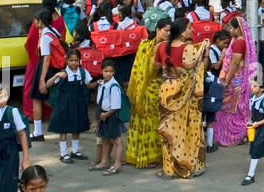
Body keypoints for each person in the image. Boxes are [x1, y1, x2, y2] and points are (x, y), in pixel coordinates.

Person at [157, 18, 210, 179]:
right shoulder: (188, 50)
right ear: (181, 32)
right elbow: (199, 69)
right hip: (183, 95)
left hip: (165, 91)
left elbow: (156, 68)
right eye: (189, 28)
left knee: (167, 131)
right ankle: (188, 166)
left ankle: (168, 169)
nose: (192, 30)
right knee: (186, 130)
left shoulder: (160, 47)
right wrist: (205, 54)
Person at [125, 18, 168, 169]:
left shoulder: (160, 47)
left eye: (170, 31)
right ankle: (139, 154)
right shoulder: (145, 46)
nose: (168, 34)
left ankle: (152, 156)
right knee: (141, 121)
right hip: (143, 89)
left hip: (154, 89)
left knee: (152, 122)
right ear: (158, 30)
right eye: (166, 30)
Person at [46, 48, 93, 163]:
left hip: (78, 103)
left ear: (80, 61)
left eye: (76, 60)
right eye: (71, 60)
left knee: (77, 127)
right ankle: (63, 153)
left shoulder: (83, 72)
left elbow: (89, 85)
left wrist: (100, 82)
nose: (73, 63)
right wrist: (56, 75)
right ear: (66, 60)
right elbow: (48, 84)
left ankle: (75, 151)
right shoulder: (63, 73)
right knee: (64, 128)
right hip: (64, 105)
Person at [213, 11, 252, 148]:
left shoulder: (238, 43)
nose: (229, 30)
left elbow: (234, 64)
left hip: (234, 81)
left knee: (230, 109)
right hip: (239, 79)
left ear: (237, 29)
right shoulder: (240, 41)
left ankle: (234, 135)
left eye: (231, 28)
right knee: (237, 108)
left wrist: (226, 80)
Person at [27, 7, 62, 143]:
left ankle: (37, 132)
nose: (35, 23)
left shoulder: (45, 36)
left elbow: (46, 58)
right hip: (55, 68)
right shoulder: (53, 32)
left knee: (37, 98)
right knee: (54, 99)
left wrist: (42, 79)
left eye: (36, 21)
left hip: (45, 68)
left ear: (40, 22)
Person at [90, 60, 124, 175]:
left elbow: (116, 105)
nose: (108, 74)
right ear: (101, 71)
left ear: (114, 72)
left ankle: (117, 164)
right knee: (105, 138)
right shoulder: (102, 84)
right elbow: (100, 101)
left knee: (117, 140)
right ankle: (104, 162)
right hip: (103, 114)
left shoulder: (114, 86)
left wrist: (106, 114)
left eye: (110, 71)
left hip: (111, 115)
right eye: (106, 71)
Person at [204, 30, 231, 151]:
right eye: (224, 43)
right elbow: (215, 66)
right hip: (211, 97)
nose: (225, 46)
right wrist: (222, 57)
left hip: (204, 98)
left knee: (203, 121)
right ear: (217, 41)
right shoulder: (212, 51)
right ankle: (210, 144)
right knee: (210, 121)